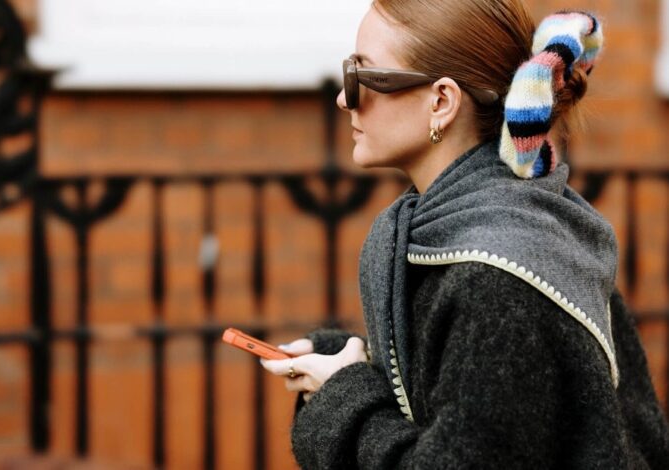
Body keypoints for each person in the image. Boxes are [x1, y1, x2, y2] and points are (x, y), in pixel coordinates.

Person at [259, 0, 669, 468]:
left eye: (362, 76)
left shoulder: (498, 277)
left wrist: (343, 397)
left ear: (441, 101)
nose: (343, 98)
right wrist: (347, 362)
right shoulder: (523, 229)